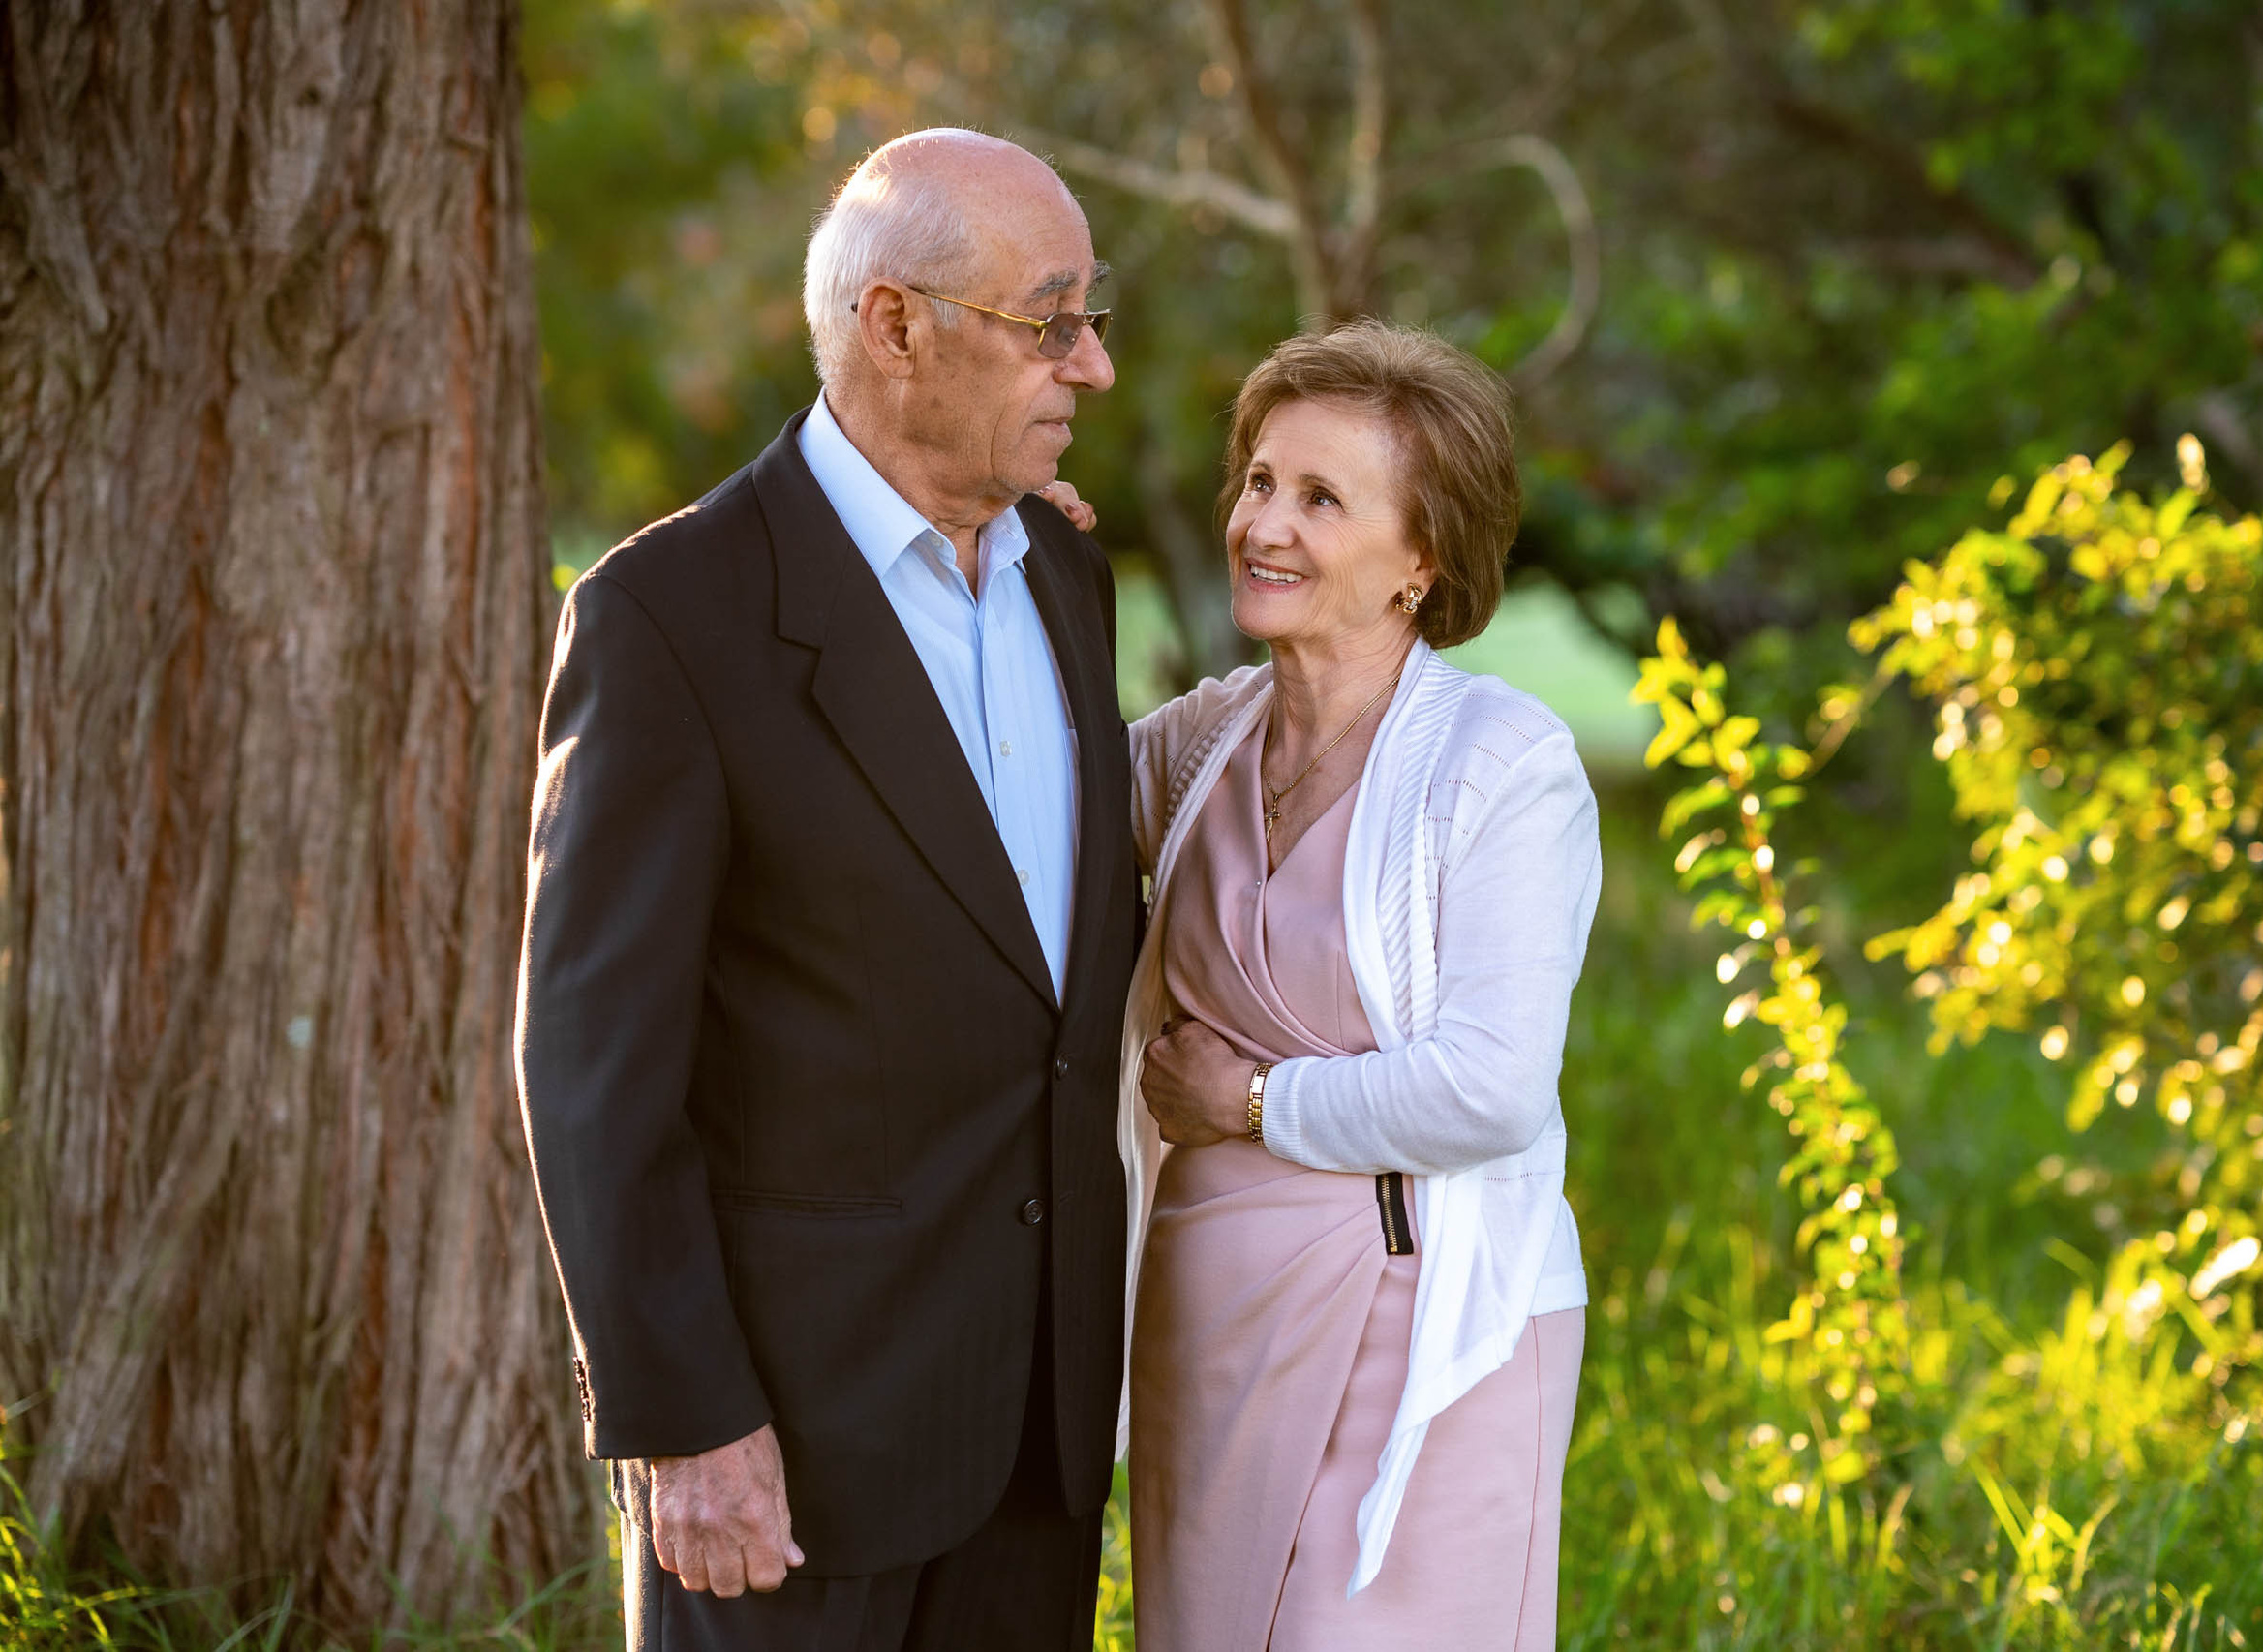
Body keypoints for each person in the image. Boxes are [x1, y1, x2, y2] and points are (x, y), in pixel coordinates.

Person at [514, 130, 1137, 1652]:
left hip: (1040, 1434)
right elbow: (595, 1071)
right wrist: (687, 1420)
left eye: (1093, 315)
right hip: (785, 1455)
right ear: (896, 324)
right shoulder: (671, 617)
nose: (1096, 366)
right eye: (1050, 319)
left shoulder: (1067, 577)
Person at [1119, 320, 1601, 1648]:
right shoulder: (1201, 742)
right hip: (1207, 1318)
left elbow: (1491, 1089)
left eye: (1321, 498)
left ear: (1423, 557)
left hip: (1427, 1328)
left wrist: (1257, 1100)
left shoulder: (1502, 765)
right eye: (1260, 481)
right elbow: (1009, 812)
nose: (1263, 523)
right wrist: (1016, 555)